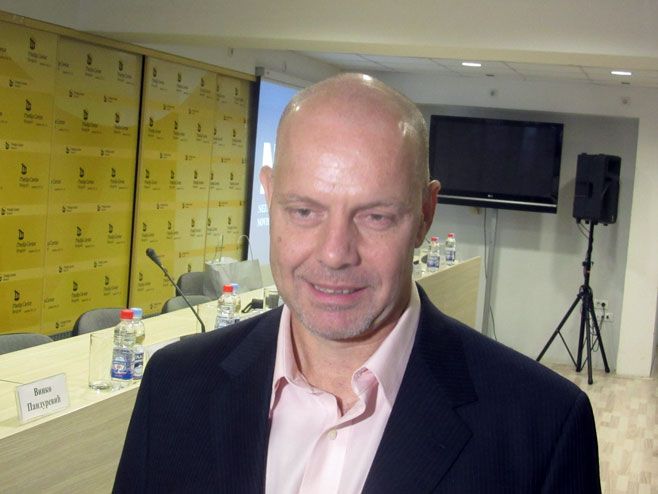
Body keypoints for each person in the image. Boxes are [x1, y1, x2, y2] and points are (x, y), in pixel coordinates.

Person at [114, 74, 600, 493]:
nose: (334, 253)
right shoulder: (174, 386)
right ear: (269, 195)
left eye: (376, 216)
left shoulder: (543, 428)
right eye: (304, 211)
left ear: (425, 214)